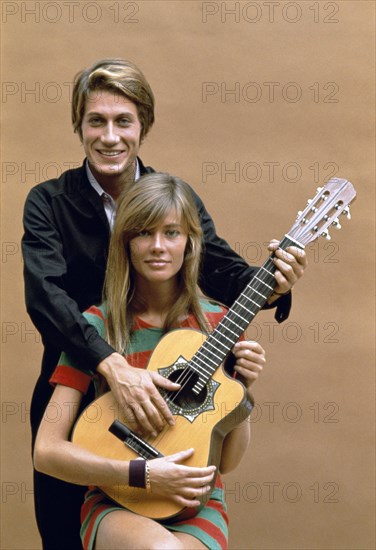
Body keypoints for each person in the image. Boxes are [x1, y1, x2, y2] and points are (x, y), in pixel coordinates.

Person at [22, 58, 307, 549]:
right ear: (79, 126)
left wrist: (275, 283)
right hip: (78, 382)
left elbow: (225, 272)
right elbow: (45, 296)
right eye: (96, 121)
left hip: (175, 395)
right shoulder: (48, 201)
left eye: (123, 121)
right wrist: (111, 366)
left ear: (143, 125)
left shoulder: (174, 199)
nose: (110, 136)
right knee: (65, 534)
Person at [34, 173, 268, 550]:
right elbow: (46, 452)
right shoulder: (95, 326)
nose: (158, 246)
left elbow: (226, 463)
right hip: (116, 499)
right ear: (125, 243)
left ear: (191, 241)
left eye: (171, 233)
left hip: (197, 505)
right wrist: (142, 473)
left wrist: (243, 391)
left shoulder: (221, 322)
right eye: (143, 233)